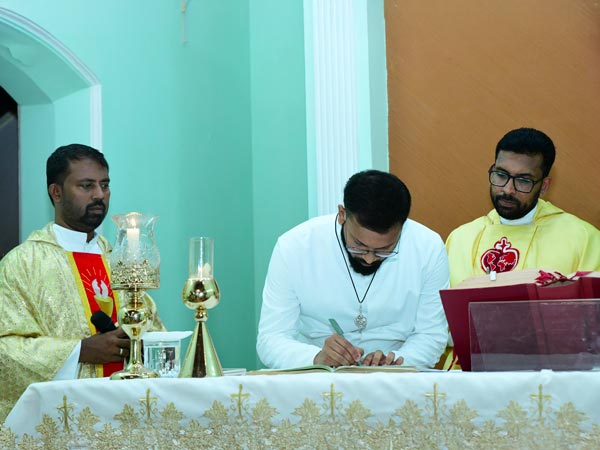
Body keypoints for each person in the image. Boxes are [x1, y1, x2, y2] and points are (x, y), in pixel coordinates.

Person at [0, 144, 164, 422]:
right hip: (64, 420)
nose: (99, 195)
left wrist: (139, 344)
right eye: (86, 186)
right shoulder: (23, 263)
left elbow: (154, 331)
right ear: (56, 192)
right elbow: (5, 351)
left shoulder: (121, 259)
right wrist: (80, 351)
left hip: (130, 413)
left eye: (104, 185)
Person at [257, 170, 449, 370]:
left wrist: (395, 362)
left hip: (398, 378)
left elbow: (431, 335)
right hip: (316, 377)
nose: (369, 258)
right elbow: (271, 339)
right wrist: (316, 358)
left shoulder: (428, 248)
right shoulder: (294, 247)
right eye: (359, 245)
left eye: (384, 250)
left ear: (402, 226)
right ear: (342, 215)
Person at [446, 127, 600, 287]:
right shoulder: (460, 239)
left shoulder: (584, 240)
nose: (508, 190)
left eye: (523, 180)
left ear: (544, 186)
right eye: (501, 175)